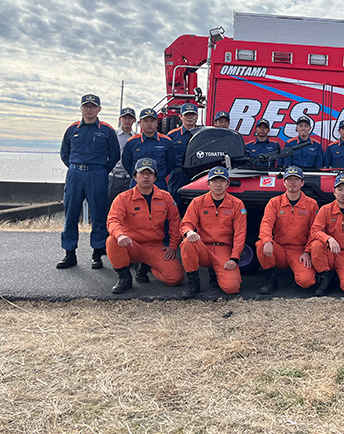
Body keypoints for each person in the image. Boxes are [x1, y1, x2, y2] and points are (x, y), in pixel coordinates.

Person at [58, 93, 120, 270]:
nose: (89, 109)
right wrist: (75, 168)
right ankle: (69, 254)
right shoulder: (72, 129)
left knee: (98, 215)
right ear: (81, 108)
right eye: (86, 106)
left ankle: (97, 253)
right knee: (71, 214)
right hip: (75, 175)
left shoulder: (107, 130)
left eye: (93, 106)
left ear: (99, 109)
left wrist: (100, 171)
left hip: (97, 175)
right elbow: (64, 153)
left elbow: (114, 155)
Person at [106, 158, 184, 294]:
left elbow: (175, 222)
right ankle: (124, 278)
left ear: (155, 177)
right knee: (112, 241)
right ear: (135, 177)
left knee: (175, 278)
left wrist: (173, 246)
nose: (146, 177)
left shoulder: (165, 197)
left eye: (150, 173)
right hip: (131, 244)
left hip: (155, 246)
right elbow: (112, 220)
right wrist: (120, 235)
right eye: (142, 173)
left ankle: (148, 266)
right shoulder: (123, 198)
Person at [178, 166, 247, 298]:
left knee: (232, 287)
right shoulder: (197, 202)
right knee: (187, 243)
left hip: (223, 249)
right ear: (208, 183)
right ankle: (193, 283)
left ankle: (215, 273)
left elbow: (240, 233)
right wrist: (189, 232)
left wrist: (234, 257)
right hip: (203, 247)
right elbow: (185, 224)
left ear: (228, 183)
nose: (218, 184)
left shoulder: (237, 204)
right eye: (215, 181)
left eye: (222, 181)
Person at [256, 165, 318, 294]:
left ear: (302, 183)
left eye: (296, 179)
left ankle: (299, 276)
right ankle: (271, 281)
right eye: (289, 179)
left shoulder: (311, 204)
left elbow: (315, 231)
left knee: (307, 282)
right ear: (284, 182)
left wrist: (307, 251)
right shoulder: (274, 202)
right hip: (279, 248)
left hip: (299, 251)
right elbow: (266, 224)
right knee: (261, 245)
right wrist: (267, 240)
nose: (292, 183)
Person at [121, 108, 176, 191]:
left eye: (152, 121)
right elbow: (126, 162)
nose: (149, 124)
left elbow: (171, 163)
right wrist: (138, 176)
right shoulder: (132, 142)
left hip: (159, 183)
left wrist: (157, 175)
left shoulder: (166, 142)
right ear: (140, 123)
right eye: (145, 121)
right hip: (137, 183)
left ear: (156, 123)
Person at [108, 107, 137, 209]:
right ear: (120, 119)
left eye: (130, 118)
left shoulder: (137, 138)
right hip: (114, 178)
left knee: (128, 208)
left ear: (134, 120)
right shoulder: (112, 135)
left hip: (130, 178)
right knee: (110, 207)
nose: (127, 121)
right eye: (125, 118)